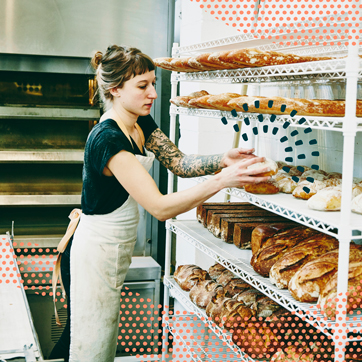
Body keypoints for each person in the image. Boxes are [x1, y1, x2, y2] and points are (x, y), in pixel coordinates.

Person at [49, 45, 271, 362]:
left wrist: (222, 160)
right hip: (93, 253)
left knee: (101, 340)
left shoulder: (141, 123)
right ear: (115, 89)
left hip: (113, 248)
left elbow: (178, 162)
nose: (153, 93)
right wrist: (223, 181)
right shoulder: (107, 139)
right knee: (89, 347)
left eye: (153, 82)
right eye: (143, 86)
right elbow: (160, 207)